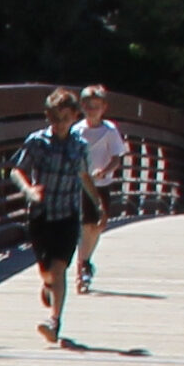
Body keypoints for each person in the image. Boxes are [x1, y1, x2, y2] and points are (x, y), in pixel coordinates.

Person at [11, 88, 93, 347]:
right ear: (48, 116)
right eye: (55, 118)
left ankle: (54, 322)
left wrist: (97, 204)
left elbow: (83, 176)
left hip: (68, 215)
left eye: (66, 118)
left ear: (74, 117)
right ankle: (49, 287)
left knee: (59, 269)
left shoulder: (79, 146)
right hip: (41, 215)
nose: (60, 124)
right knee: (48, 272)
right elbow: (16, 170)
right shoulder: (37, 142)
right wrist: (27, 189)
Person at [72, 86, 126, 293]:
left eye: (96, 106)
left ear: (104, 107)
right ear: (82, 107)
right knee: (86, 225)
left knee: (98, 226)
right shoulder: (77, 131)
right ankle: (82, 269)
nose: (92, 110)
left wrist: (105, 171)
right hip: (83, 184)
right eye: (88, 106)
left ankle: (85, 261)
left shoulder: (109, 131)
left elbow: (116, 158)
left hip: (103, 184)